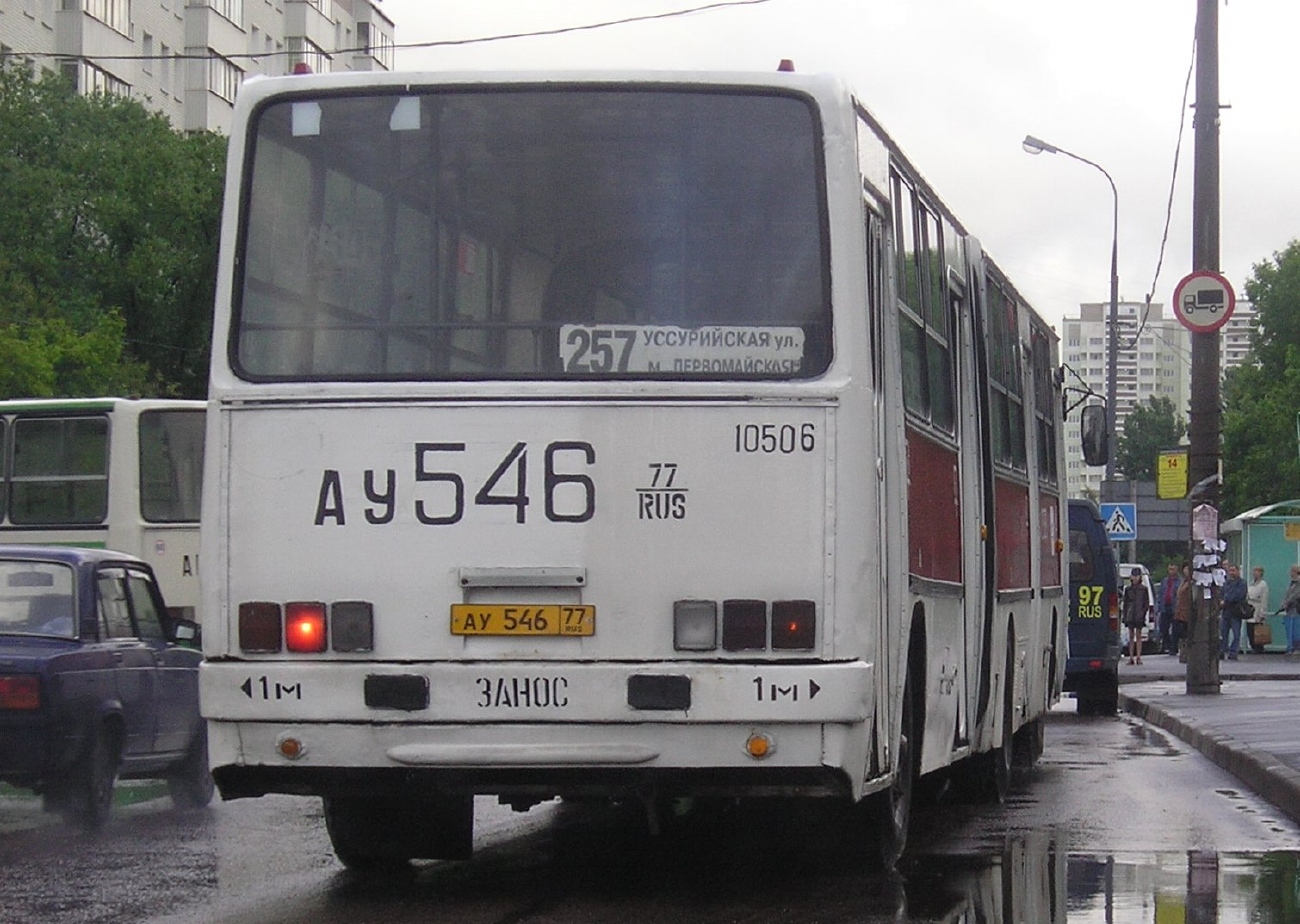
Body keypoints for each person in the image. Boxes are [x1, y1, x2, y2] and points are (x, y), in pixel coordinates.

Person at [1122, 567, 1151, 665]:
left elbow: (1146, 603)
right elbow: (1125, 603)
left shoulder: (1143, 589)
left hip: (1139, 614)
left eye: (1137, 576)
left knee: (1139, 635)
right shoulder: (1128, 589)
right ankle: (1131, 657)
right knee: (1130, 636)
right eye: (1133, 576)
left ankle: (1138, 657)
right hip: (1130, 614)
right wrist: (1125, 616)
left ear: (1140, 577)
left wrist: (1143, 612)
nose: (1135, 578)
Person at [1219, 563, 1248, 660]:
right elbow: (1221, 594)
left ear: (1238, 571)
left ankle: (1233, 652)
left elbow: (1238, 596)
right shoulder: (1225, 583)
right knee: (1223, 633)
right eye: (1230, 570)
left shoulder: (1242, 583)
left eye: (1233, 570)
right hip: (1226, 612)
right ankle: (1222, 651)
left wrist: (1226, 601)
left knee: (1236, 634)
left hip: (1236, 612)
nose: (1231, 573)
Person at [1155, 563, 1181, 654]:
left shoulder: (1180, 582)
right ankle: (1167, 644)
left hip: (1175, 607)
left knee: (1175, 629)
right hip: (1165, 607)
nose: (1171, 571)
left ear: (1177, 570)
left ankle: (1174, 648)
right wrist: (1158, 606)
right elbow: (1160, 594)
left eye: (1173, 569)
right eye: (1170, 569)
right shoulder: (1164, 581)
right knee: (1163, 628)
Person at [1246, 566, 1270, 653]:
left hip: (1258, 609)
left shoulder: (1263, 585)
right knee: (1250, 630)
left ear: (1261, 573)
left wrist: (1262, 613)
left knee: (1257, 631)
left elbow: (1264, 599)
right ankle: (1253, 647)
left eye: (1256, 571)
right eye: (1254, 571)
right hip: (1250, 609)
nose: (1254, 573)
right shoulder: (1251, 583)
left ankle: (1259, 649)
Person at [1174, 562, 1193, 664]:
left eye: (1188, 569)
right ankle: (1183, 654)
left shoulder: (1192, 582)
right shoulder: (1183, 582)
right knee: (1182, 634)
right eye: (1185, 569)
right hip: (1180, 612)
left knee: (1187, 634)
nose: (1186, 571)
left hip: (1188, 612)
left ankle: (1188, 654)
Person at [1282, 565, 1300, 656]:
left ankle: (1297, 648)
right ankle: (1291, 647)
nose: (1290, 573)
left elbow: (1296, 595)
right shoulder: (1291, 583)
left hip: (1296, 609)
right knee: (1290, 629)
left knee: (1296, 629)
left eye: (1292, 571)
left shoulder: (1298, 583)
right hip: (1289, 610)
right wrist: (1284, 603)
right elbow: (1288, 594)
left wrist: (1287, 603)